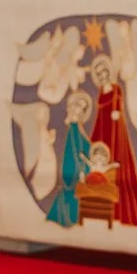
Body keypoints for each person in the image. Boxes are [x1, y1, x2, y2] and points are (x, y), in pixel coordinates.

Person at [87, 54, 137, 230]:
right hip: (103, 132)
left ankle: (121, 211)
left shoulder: (117, 89)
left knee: (119, 171)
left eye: (103, 71)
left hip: (116, 132)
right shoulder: (100, 92)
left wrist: (116, 114)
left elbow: (117, 110)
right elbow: (99, 117)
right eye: (98, 72)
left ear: (108, 72)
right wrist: (93, 140)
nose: (102, 74)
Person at [46, 90, 94, 228]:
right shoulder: (72, 129)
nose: (79, 110)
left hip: (78, 171)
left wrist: (83, 167)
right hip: (71, 171)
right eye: (78, 105)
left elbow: (83, 149)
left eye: (83, 108)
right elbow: (71, 152)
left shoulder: (77, 130)